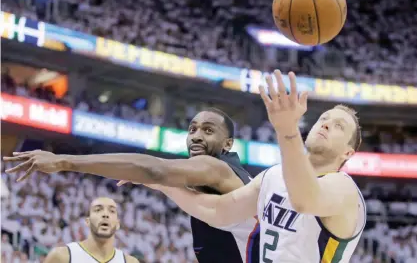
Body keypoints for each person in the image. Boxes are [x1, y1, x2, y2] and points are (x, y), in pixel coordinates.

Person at [137, 70, 367, 262]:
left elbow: (304, 200)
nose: (326, 125)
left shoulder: (344, 189)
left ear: (348, 153)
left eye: (338, 126)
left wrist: (287, 129)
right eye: (324, 118)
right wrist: (163, 183)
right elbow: (218, 211)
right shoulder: (274, 176)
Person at [4, 108, 260, 263]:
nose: (195, 136)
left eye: (207, 130)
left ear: (227, 144)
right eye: (192, 129)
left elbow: (153, 169)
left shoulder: (216, 167)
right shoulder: (220, 181)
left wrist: (63, 161)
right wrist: (157, 183)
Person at [44, 197, 139, 263]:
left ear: (118, 224)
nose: (105, 215)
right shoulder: (61, 256)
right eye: (98, 210)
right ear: (87, 221)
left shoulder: (130, 261)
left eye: (112, 211)